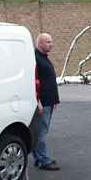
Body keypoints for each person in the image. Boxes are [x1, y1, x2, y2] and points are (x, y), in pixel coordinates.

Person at [33, 33, 60, 171]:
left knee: (41, 131)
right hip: (42, 103)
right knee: (41, 132)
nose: (51, 44)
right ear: (40, 44)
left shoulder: (43, 58)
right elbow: (34, 82)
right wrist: (38, 101)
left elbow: (48, 81)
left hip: (48, 102)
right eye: (48, 42)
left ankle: (39, 158)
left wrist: (55, 100)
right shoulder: (35, 59)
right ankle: (43, 160)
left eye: (51, 41)